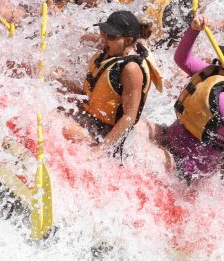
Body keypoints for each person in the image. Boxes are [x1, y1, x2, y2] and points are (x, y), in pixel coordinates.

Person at [144, 13, 224, 183]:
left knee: (143, 152)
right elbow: (182, 59)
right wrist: (193, 30)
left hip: (190, 164)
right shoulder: (216, 73)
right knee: (138, 127)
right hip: (171, 137)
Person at [56, 10, 162, 154]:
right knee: (57, 81)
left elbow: (129, 117)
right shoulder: (114, 46)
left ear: (128, 40)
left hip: (104, 130)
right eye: (103, 32)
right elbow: (83, 38)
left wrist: (101, 150)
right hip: (90, 111)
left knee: (66, 129)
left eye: (110, 35)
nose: (104, 39)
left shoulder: (131, 69)